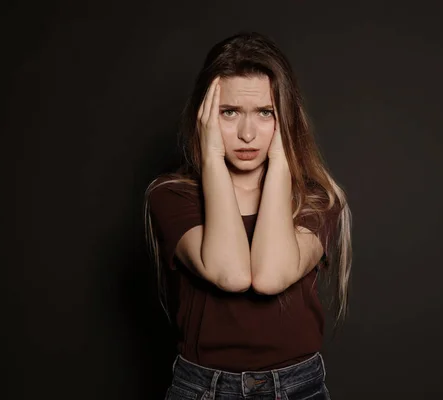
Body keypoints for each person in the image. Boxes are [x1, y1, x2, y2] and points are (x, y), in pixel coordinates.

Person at [144, 31, 352, 400]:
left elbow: (269, 276)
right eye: (229, 112)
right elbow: (233, 274)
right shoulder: (173, 195)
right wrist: (210, 158)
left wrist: (282, 164)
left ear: (286, 118)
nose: (246, 133)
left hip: (297, 387)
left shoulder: (317, 201)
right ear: (205, 117)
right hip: (202, 388)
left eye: (265, 113)